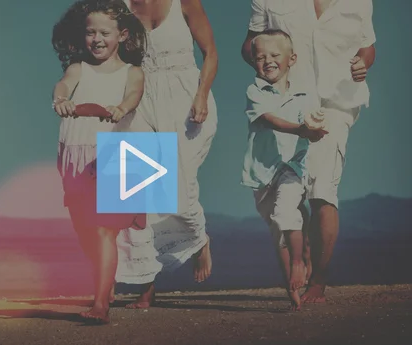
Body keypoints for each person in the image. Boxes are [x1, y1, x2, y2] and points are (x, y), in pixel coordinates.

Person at [241, 0, 377, 303]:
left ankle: (318, 282)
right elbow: (249, 44)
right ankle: (301, 248)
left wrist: (362, 63)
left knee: (322, 188)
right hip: (285, 102)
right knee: (279, 195)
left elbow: (367, 47)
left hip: (335, 104)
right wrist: (269, 65)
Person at [115, 0, 218, 309]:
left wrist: (201, 95)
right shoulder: (117, 6)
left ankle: (198, 238)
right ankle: (144, 286)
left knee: (179, 189)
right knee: (133, 192)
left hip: (185, 97)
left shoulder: (185, 2)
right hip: (137, 98)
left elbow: (210, 52)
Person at [51, 0, 146, 324]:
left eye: (104, 32)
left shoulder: (132, 72)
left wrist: (122, 107)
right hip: (77, 156)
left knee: (105, 231)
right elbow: (63, 85)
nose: (97, 39)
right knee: (84, 230)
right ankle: (106, 286)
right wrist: (61, 99)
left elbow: (134, 94)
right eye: (90, 32)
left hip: (114, 153)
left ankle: (101, 303)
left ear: (121, 35)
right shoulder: (79, 68)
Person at [242, 29, 327, 310]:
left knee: (284, 212)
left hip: (291, 167)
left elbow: (309, 119)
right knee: (278, 226)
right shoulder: (255, 90)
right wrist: (302, 129)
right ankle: (296, 267)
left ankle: (299, 264)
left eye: (275, 55)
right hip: (261, 174)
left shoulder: (303, 94)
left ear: (292, 59)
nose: (267, 60)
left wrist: (312, 125)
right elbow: (270, 120)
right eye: (260, 57)